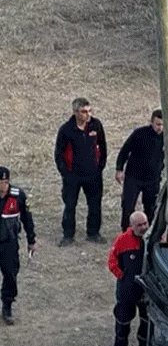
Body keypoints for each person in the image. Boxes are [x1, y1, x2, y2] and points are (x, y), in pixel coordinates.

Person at [54, 97, 108, 245]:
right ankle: (68, 235)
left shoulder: (96, 125)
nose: (88, 114)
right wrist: (65, 172)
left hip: (93, 175)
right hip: (73, 176)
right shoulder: (66, 129)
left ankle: (93, 233)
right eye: (84, 111)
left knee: (95, 205)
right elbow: (58, 153)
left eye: (90, 110)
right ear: (75, 112)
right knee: (70, 205)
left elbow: (102, 147)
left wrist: (100, 167)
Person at [107, 211, 151, 346]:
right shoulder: (122, 241)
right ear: (132, 226)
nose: (144, 227)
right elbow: (112, 261)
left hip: (146, 289)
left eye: (145, 223)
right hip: (127, 289)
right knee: (123, 319)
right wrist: (122, 276)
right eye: (140, 225)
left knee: (147, 320)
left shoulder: (152, 238)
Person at [0, 166, 38, 326]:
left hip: (9, 242)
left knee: (10, 275)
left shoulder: (18, 196)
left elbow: (27, 219)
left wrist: (32, 240)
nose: (3, 185)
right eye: (0, 182)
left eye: (5, 181)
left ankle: (7, 306)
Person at [115, 110, 164, 232]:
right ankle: (126, 233)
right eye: (158, 124)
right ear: (151, 122)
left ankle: (149, 233)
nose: (160, 128)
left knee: (151, 208)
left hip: (152, 180)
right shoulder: (139, 134)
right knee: (127, 207)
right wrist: (119, 169)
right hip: (133, 178)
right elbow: (124, 151)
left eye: (163, 125)